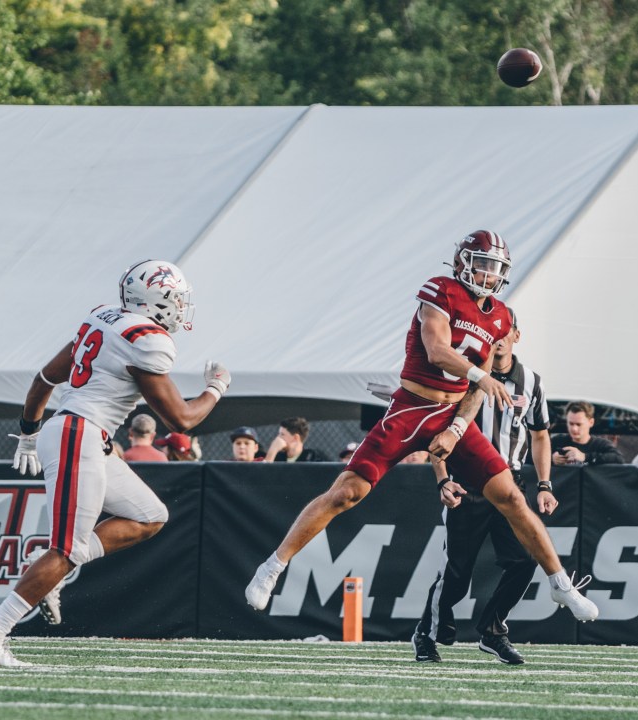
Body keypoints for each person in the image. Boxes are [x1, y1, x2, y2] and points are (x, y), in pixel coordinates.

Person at [245, 230, 598, 633]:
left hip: (452, 416)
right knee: (346, 493)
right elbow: (436, 350)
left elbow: (471, 392)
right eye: (481, 264)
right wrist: (482, 377)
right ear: (463, 262)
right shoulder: (440, 291)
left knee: (512, 497)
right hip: (412, 408)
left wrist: (459, 427)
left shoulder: (499, 315)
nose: (487, 274)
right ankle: (273, 566)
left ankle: (560, 584)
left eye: (494, 268)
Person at [0, 259, 230, 667]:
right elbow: (182, 419)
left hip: (82, 434)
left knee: (149, 516)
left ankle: (52, 569)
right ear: (153, 300)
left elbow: (44, 379)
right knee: (64, 549)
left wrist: (31, 431)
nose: (178, 307)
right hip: (78, 434)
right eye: (174, 299)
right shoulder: (147, 340)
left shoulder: (102, 320)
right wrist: (216, 387)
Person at [414, 307, 555, 665]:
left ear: (517, 336)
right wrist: (442, 478)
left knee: (526, 558)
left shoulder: (532, 382)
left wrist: (544, 483)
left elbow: (540, 436)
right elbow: (440, 432)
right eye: (495, 333)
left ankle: (493, 630)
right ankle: (426, 632)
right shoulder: (463, 377)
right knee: (457, 571)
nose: (500, 339)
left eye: (507, 332)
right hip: (469, 482)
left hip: (510, 484)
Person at [550, 401, 625, 466]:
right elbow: (539, 456)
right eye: (571, 424)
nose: (574, 428)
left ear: (591, 422)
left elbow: (618, 459)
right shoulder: (557, 441)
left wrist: (585, 457)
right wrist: (551, 459)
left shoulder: (600, 445)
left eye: (579, 424)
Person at [263, 417, 327, 462]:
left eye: (282, 434)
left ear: (295, 438)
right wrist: (272, 451)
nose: (278, 438)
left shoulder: (312, 457)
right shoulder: (277, 458)